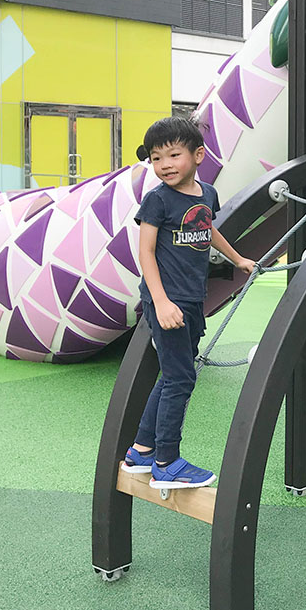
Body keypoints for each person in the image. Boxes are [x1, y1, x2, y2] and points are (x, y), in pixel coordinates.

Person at [121, 117, 256, 489]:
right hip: (168, 300)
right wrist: (161, 302)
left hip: (193, 298)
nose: (164, 164)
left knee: (174, 375)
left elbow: (206, 228)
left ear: (197, 155)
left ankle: (141, 451)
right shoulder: (157, 200)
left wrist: (237, 258)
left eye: (173, 155)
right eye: (156, 158)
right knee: (181, 378)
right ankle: (166, 461)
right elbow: (146, 252)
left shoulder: (206, 194)